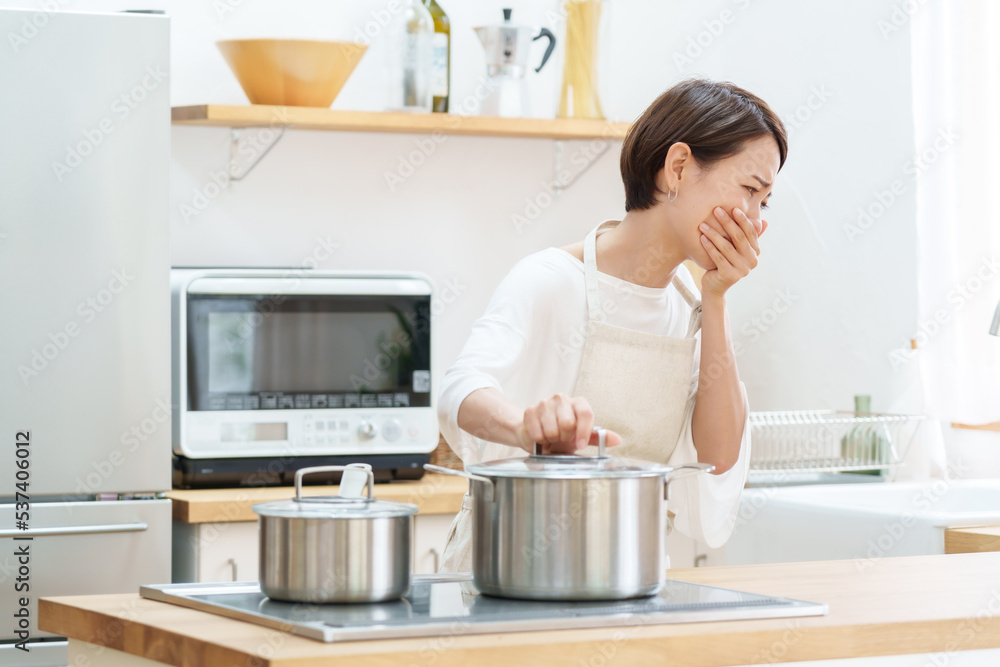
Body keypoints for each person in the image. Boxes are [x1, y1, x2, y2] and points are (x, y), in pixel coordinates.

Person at [436, 78, 788, 572]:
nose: (754, 220)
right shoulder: (551, 279)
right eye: (750, 190)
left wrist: (716, 296)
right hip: (509, 575)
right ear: (679, 168)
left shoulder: (691, 310)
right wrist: (524, 428)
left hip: (626, 578)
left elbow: (718, 455)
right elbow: (460, 391)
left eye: (765, 202)